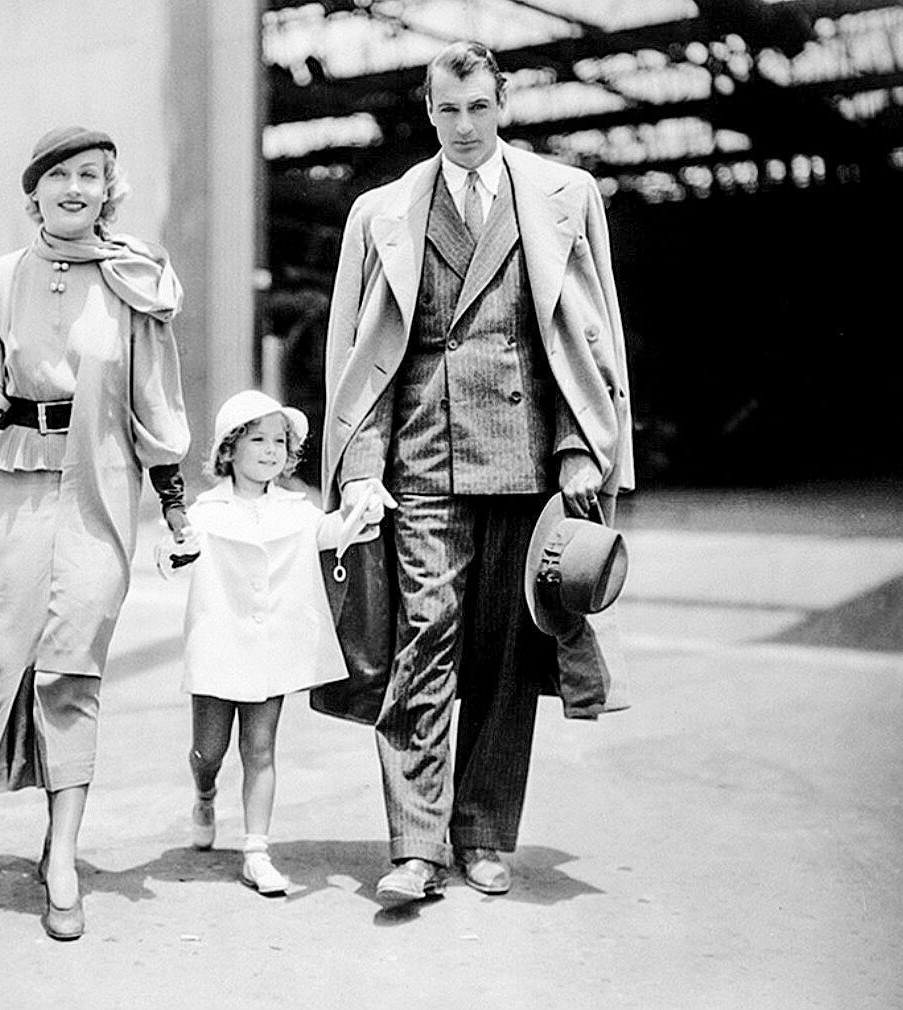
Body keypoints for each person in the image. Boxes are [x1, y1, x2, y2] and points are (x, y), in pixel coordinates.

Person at [320, 42, 635, 906]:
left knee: (505, 653)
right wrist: (357, 464)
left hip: (529, 457)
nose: (463, 126)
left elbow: (587, 335)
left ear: (504, 104)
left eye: (478, 108)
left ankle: (485, 834)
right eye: (447, 110)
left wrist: (583, 446)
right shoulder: (379, 212)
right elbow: (356, 350)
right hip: (421, 456)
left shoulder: (565, 196)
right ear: (428, 111)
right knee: (422, 641)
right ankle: (416, 845)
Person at [0, 126, 192, 940]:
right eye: (59, 175)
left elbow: (158, 402)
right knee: (26, 662)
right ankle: (51, 828)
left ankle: (63, 855)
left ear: (111, 190)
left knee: (74, 664)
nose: (75, 188)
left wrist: (174, 505)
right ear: (32, 193)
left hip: (101, 490)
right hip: (20, 489)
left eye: (92, 175)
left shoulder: (137, 282)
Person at [159, 390, 380, 895]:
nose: (270, 450)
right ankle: (205, 790)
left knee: (260, 750)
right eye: (257, 439)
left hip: (271, 649)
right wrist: (173, 550)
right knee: (208, 749)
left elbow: (334, 533)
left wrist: (361, 513)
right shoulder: (207, 511)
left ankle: (256, 851)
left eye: (279, 441)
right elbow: (174, 550)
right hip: (220, 644)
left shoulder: (297, 511)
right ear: (229, 450)